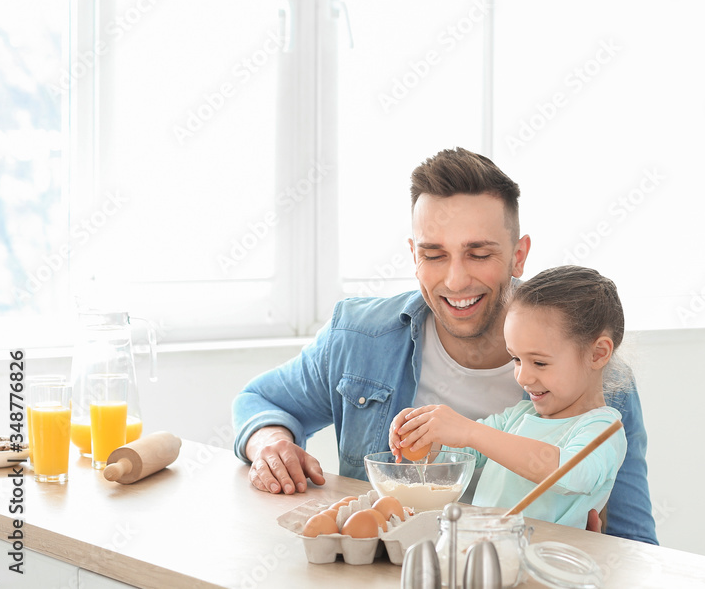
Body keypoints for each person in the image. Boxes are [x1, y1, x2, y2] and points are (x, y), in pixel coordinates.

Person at [232, 147, 658, 545]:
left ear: (518, 255)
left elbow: (635, 541)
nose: (455, 281)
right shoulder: (360, 336)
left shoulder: (588, 363)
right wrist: (270, 443)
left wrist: (588, 554)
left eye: (478, 254)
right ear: (413, 253)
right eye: (434, 254)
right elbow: (261, 400)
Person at [391, 265, 629, 529]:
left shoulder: (604, 429)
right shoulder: (518, 416)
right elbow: (462, 453)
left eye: (539, 363)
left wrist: (470, 431)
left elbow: (570, 473)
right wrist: (425, 436)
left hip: (541, 562)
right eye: (516, 359)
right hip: (488, 552)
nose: (523, 377)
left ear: (597, 354)